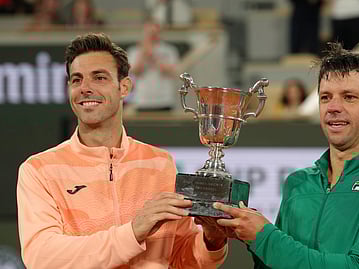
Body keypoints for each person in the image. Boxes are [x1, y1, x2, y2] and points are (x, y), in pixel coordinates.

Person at [16, 33, 228, 269]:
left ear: (124, 87)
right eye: (77, 80)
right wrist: (133, 232)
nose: (85, 88)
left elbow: (183, 260)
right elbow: (42, 258)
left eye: (99, 78)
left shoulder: (160, 163)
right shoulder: (39, 170)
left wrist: (212, 240)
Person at [214, 42, 359, 268]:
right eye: (326, 97)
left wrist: (265, 237)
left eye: (349, 97)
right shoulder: (298, 183)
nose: (333, 107)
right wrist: (221, 236)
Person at [126, 23, 179, 112]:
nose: (152, 35)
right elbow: (134, 72)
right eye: (149, 33)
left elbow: (172, 72)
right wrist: (143, 55)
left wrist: (153, 56)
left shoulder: (169, 50)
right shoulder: (134, 51)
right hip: (142, 100)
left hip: (164, 100)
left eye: (154, 32)